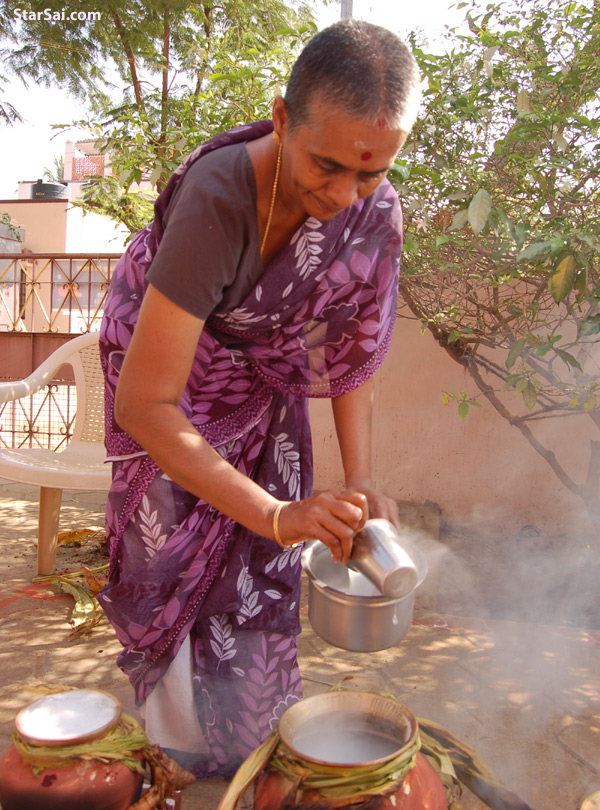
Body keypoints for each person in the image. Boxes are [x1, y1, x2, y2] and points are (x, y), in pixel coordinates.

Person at [98, 19, 421, 778]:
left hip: (262, 391)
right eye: (327, 164)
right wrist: (275, 513)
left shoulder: (375, 216)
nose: (345, 196)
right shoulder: (219, 197)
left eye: (370, 173)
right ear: (281, 117)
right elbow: (147, 408)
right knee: (173, 554)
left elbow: (350, 351)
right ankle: (176, 754)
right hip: (168, 380)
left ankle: (244, 740)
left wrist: (361, 477)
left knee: (257, 569)